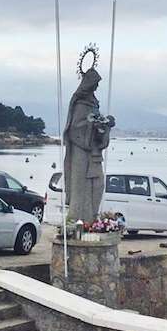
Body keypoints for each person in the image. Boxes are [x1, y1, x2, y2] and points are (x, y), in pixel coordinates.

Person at [62, 67, 115, 226]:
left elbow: (97, 132)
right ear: (89, 84)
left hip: (93, 154)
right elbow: (75, 129)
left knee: (98, 185)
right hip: (80, 153)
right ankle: (77, 222)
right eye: (95, 84)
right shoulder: (80, 103)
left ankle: (92, 220)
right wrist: (92, 125)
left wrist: (105, 126)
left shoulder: (94, 104)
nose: (97, 87)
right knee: (80, 188)